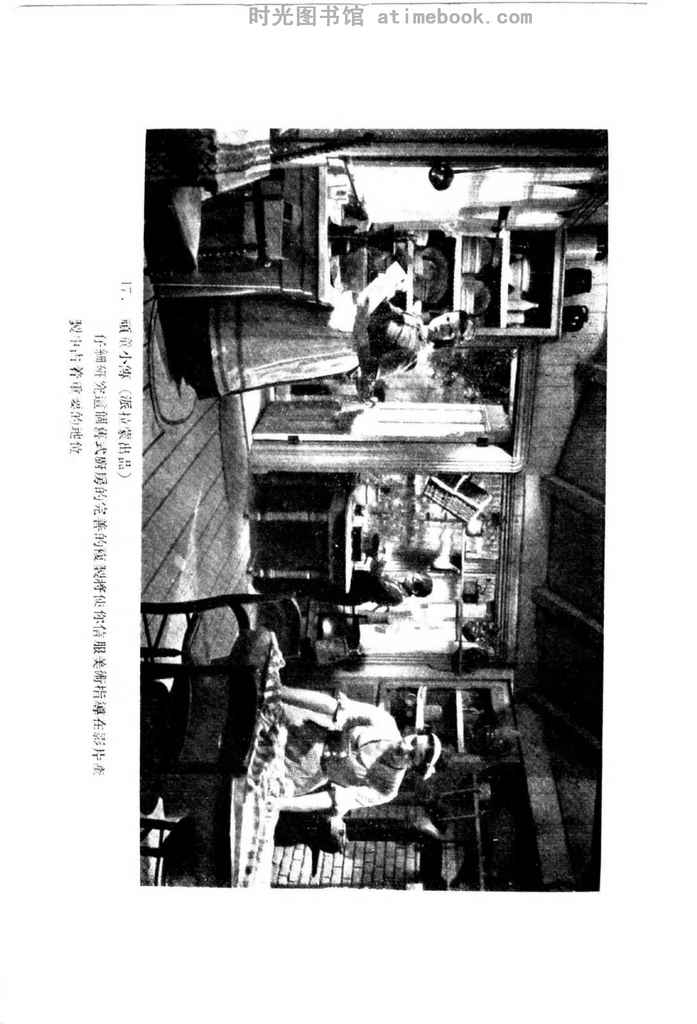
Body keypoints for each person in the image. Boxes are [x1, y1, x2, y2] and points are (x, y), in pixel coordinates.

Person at [278, 681, 442, 840]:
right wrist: (281, 692)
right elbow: (333, 707)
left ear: (412, 767)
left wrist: (281, 804)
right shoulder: (385, 722)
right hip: (305, 730)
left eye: (411, 756)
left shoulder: (388, 787)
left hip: (301, 774)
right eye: (413, 741)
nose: (405, 747)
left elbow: (334, 799)